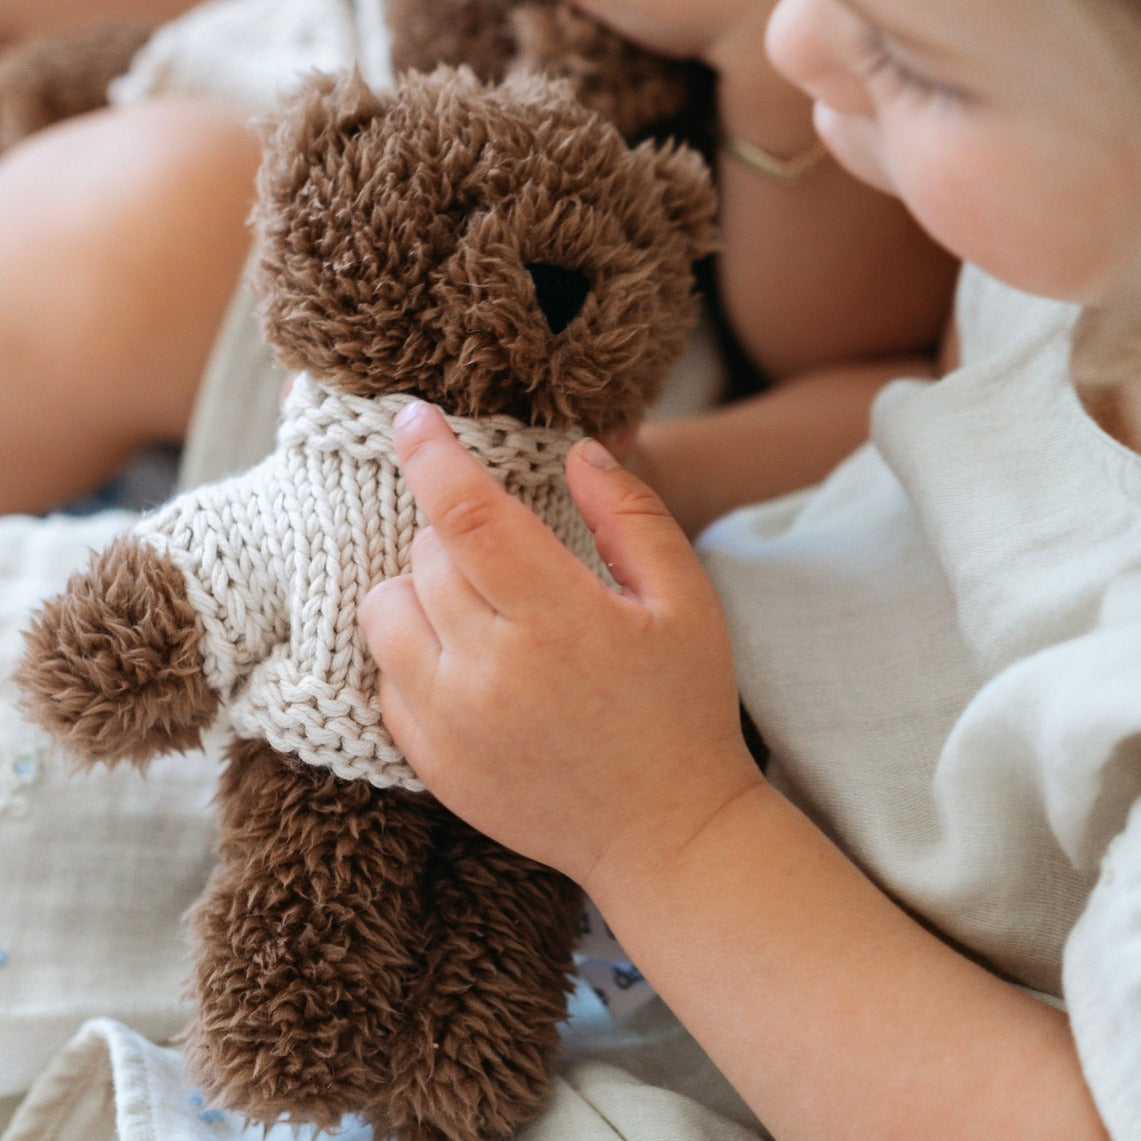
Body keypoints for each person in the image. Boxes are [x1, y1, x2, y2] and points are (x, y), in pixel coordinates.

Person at [360, 0, 1141, 1138]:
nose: (793, 39)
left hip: (763, 1004)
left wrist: (661, 827)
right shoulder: (1079, 245)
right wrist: (637, 484)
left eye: (910, 65)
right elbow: (937, 422)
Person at [0, 0, 956, 515]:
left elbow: (867, 355)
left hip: (572, 344)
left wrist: (755, 45)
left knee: (143, 209)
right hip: (309, 121)